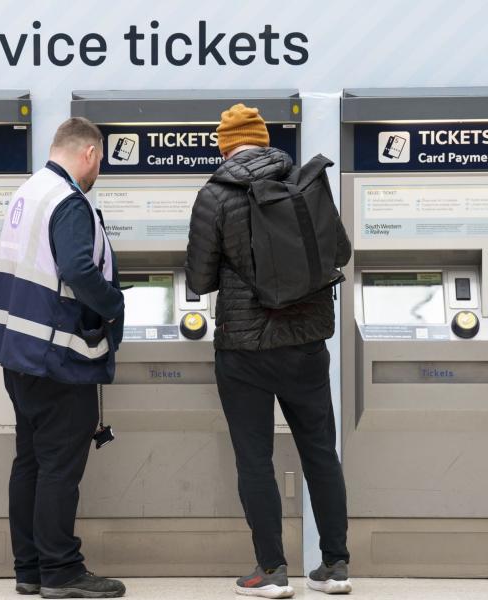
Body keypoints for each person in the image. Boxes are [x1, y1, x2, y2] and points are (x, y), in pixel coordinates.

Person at [185, 104, 353, 599]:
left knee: (255, 457)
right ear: (264, 140)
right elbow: (337, 253)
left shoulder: (214, 195)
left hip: (245, 348)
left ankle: (272, 571)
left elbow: (197, 278)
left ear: (225, 145)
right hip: (306, 342)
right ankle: (335, 567)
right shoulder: (302, 184)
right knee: (320, 450)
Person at [0, 117, 126, 599]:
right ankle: (62, 571)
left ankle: (30, 568)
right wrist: (113, 304)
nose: (99, 168)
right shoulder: (69, 201)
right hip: (57, 355)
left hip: (19, 351)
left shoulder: (29, 192)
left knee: (31, 462)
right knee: (60, 468)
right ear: (89, 152)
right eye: (101, 158)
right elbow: (77, 269)